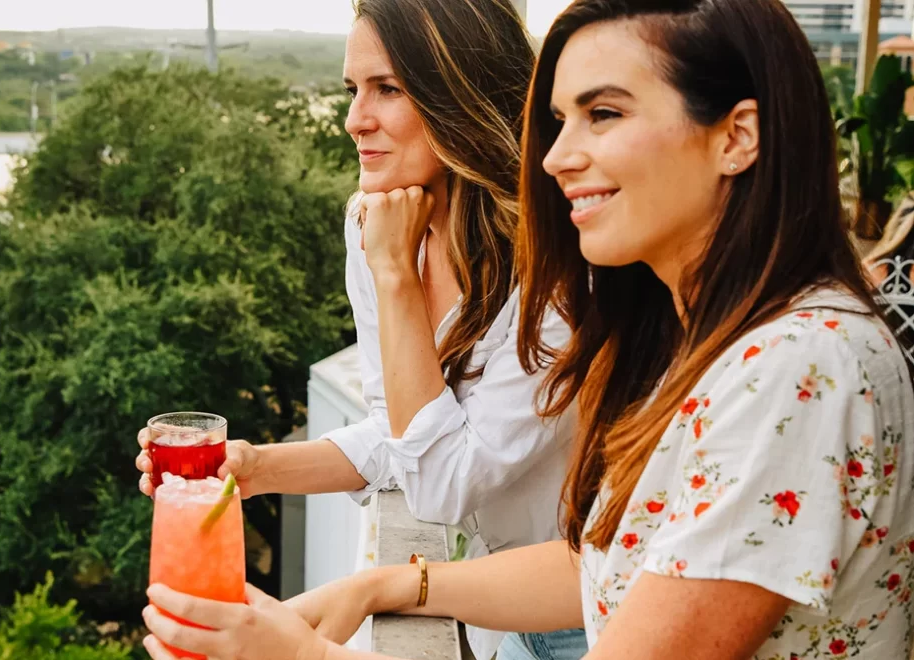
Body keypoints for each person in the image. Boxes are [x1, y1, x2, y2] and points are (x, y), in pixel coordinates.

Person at [139, 1, 914, 659]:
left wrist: (300, 654)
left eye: (602, 114)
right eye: (557, 120)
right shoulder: (708, 339)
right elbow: (603, 563)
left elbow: (444, 477)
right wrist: (377, 580)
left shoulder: (794, 366)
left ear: (736, 137)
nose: (553, 158)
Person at [135, 1, 586, 659]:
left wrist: (395, 276)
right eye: (352, 90)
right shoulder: (372, 225)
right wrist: (255, 467)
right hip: (500, 607)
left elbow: (440, 482)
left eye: (388, 89)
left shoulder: (559, 267)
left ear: (461, 96)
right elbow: (396, 433)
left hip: (589, 617)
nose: (354, 120)